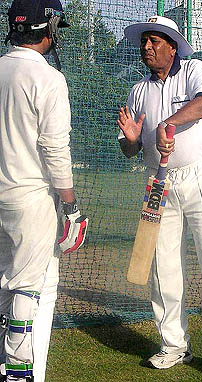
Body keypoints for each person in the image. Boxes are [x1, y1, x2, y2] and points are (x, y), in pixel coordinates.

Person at [117, 15, 202, 378]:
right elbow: (129, 149)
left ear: (172, 45)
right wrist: (134, 140)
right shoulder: (138, 90)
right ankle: (172, 344)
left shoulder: (194, 69)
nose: (147, 47)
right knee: (162, 264)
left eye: (155, 40)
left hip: (201, 172)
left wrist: (169, 123)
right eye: (144, 41)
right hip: (159, 181)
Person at [0, 1, 88, 381]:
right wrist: (71, 207)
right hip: (31, 199)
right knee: (26, 290)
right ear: (47, 28)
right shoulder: (48, 78)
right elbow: (54, 148)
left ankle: (17, 370)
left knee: (10, 284)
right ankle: (18, 375)